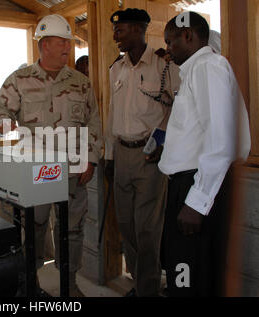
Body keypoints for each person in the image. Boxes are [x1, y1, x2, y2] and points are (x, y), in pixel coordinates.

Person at [0, 14, 103, 297]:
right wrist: (4, 123)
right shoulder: (20, 79)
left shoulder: (81, 83)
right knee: (35, 227)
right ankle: (31, 282)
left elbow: (95, 123)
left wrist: (91, 158)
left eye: (68, 43)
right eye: (61, 43)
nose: (67, 48)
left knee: (72, 229)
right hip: (35, 171)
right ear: (44, 45)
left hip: (74, 169)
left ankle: (70, 282)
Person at [158, 12, 250, 297]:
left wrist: (197, 202)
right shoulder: (194, 71)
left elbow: (221, 140)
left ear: (188, 36)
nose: (168, 50)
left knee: (190, 274)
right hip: (189, 185)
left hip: (197, 188)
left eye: (171, 42)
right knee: (184, 270)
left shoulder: (209, 67)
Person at [104, 8, 181, 297]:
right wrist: (110, 156)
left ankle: (147, 291)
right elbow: (113, 115)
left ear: (137, 30)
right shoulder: (116, 69)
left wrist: (165, 142)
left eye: (120, 30)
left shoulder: (164, 66)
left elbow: (179, 107)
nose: (115, 37)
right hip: (122, 154)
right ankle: (140, 282)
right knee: (126, 227)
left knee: (148, 230)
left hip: (150, 156)